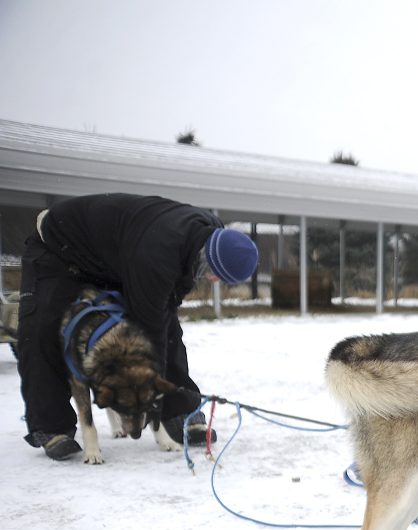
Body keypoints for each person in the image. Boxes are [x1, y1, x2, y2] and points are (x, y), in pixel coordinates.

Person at [17, 193, 259, 460]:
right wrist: (147, 391)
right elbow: (149, 332)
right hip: (60, 249)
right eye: (213, 273)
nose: (213, 281)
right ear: (206, 255)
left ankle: (181, 412)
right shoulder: (157, 254)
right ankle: (52, 427)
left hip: (114, 256)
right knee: (42, 329)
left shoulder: (213, 236)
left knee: (168, 328)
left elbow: (167, 307)